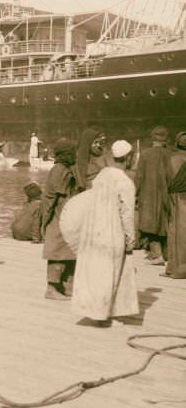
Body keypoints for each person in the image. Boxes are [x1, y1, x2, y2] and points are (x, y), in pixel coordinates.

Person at [61, 140, 138, 325]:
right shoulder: (126, 183)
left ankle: (96, 312)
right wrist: (130, 239)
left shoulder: (102, 175)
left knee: (97, 272)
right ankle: (108, 314)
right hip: (113, 232)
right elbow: (127, 214)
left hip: (94, 230)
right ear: (128, 158)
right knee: (114, 273)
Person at [41, 137, 77, 300]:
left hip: (67, 217)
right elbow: (52, 199)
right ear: (65, 154)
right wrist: (45, 221)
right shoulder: (59, 170)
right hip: (58, 217)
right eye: (72, 153)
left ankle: (67, 286)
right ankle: (52, 288)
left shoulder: (64, 169)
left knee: (69, 251)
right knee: (57, 253)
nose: (75, 156)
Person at [135, 126, 170, 265]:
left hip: (148, 196)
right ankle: (167, 254)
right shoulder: (170, 154)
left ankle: (156, 255)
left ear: (152, 138)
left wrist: (134, 194)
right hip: (166, 195)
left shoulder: (145, 154)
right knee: (164, 223)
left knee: (149, 225)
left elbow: (139, 177)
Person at [163, 131, 186, 279]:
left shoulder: (172, 159)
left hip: (177, 198)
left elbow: (167, 180)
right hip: (181, 197)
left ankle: (177, 268)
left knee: (177, 230)